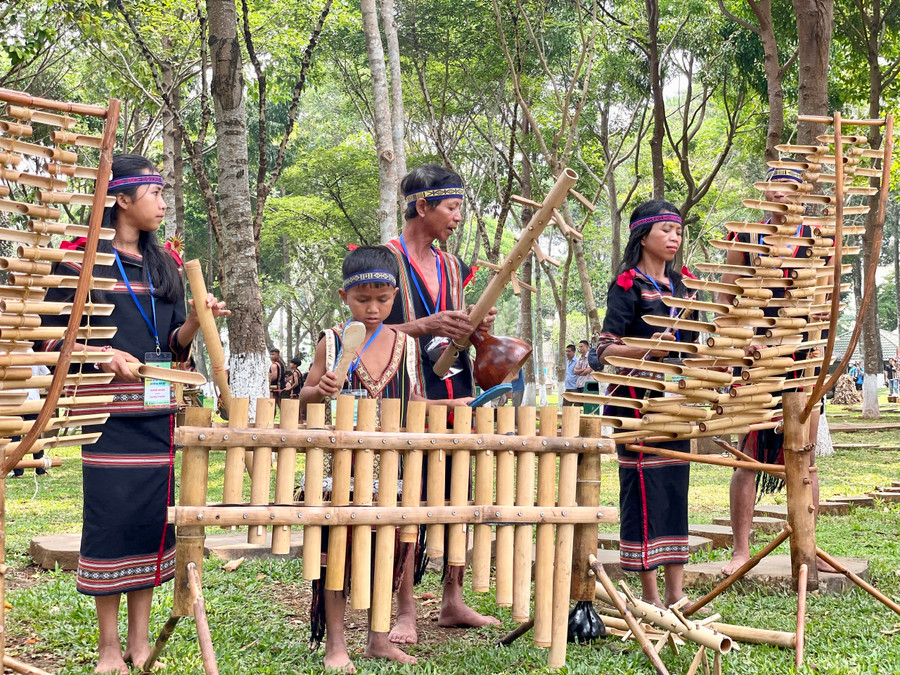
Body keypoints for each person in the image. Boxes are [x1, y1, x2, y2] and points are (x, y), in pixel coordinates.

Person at [36, 154, 228, 674]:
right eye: (155, 193)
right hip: (104, 417)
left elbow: (173, 345)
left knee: (148, 523)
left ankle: (139, 645)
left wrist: (197, 320)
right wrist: (101, 354)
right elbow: (48, 339)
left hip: (157, 413)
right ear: (121, 198)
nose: (163, 203)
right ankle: (107, 648)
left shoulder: (166, 265)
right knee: (110, 522)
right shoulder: (78, 263)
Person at [383, 164, 500, 645]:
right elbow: (368, 335)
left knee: (458, 492)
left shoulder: (452, 266)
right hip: (407, 395)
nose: (458, 216)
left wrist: (474, 325)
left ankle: (453, 599)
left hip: (458, 392)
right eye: (451, 207)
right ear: (422, 206)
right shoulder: (384, 260)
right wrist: (425, 326)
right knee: (411, 498)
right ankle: (405, 609)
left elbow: (457, 330)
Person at [299, 246, 420, 671]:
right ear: (343, 297)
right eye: (362, 299)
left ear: (394, 296)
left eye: (382, 300)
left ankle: (378, 639)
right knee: (337, 554)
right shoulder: (331, 341)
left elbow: (415, 404)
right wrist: (320, 390)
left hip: (392, 470)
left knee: (386, 552)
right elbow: (304, 396)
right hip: (339, 470)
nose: (372, 309)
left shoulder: (406, 345)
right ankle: (336, 645)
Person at [717, 166, 831, 576]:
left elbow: (827, 297)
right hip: (756, 358)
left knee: (805, 456)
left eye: (790, 186)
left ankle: (810, 546)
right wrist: (740, 341)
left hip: (803, 360)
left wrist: (817, 328)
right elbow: (727, 296)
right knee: (747, 455)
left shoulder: (819, 237)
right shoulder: (745, 238)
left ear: (803, 194)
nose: (781, 193)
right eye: (775, 186)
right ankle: (741, 550)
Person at [591, 200, 696, 609]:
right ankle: (650, 598)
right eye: (666, 230)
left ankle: (676, 595)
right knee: (643, 491)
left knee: (674, 489)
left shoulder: (685, 286)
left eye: (679, 230)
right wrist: (648, 348)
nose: (674, 237)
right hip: (634, 405)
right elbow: (603, 350)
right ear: (643, 235)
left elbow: (696, 346)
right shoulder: (627, 285)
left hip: (677, 402)